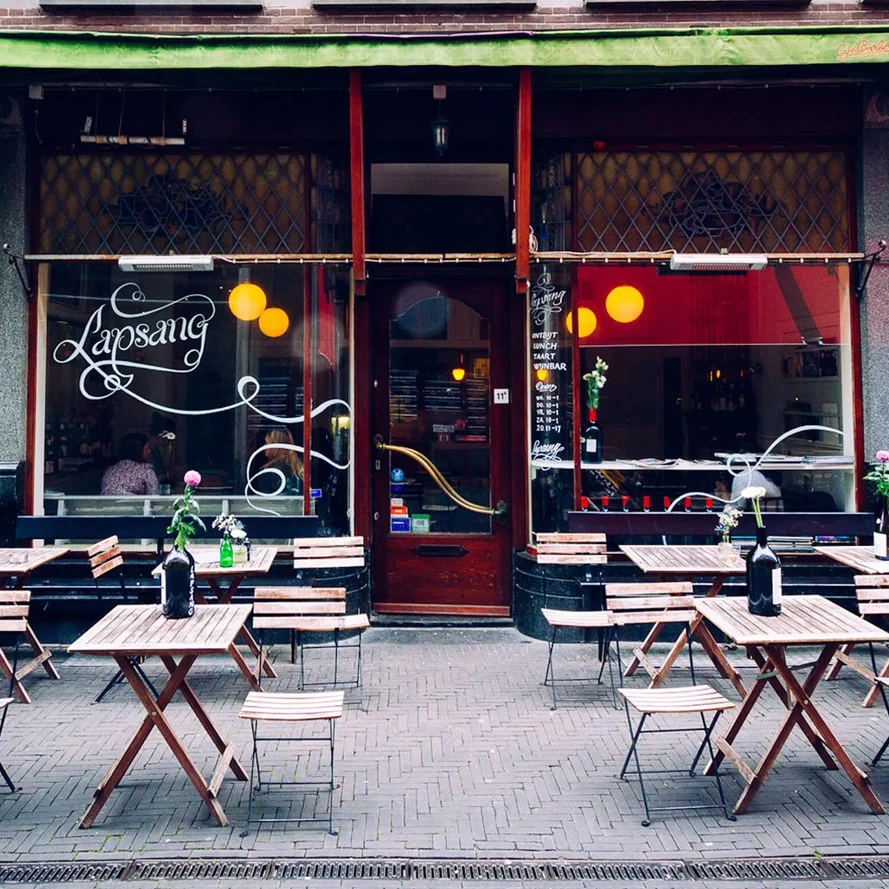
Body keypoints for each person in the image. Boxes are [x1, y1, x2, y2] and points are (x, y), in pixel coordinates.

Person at [257, 428, 303, 496]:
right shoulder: (298, 468)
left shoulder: (271, 472)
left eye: (266, 443)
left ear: (275, 447)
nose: (264, 447)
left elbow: (265, 502)